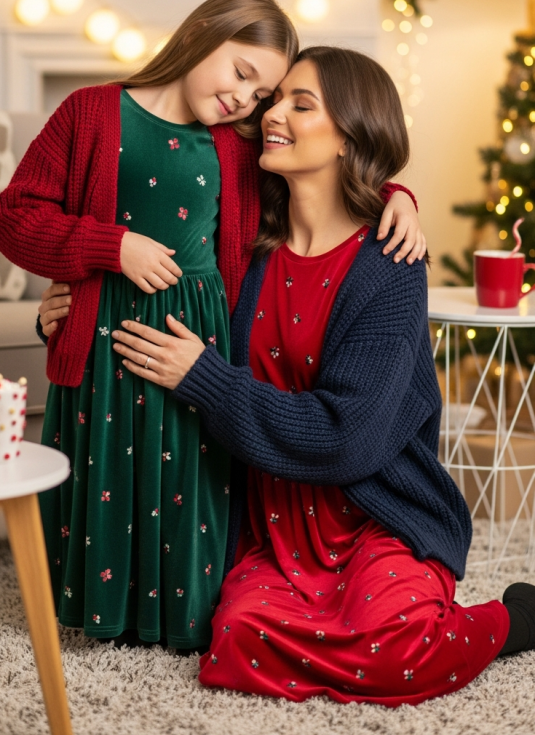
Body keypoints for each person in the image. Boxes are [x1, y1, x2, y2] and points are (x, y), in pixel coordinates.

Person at [0, 0, 422, 651]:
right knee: (104, 470)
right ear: (201, 35)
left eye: (263, 93)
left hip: (200, 343)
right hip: (103, 337)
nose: (248, 101)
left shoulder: (240, 143)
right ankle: (99, 611)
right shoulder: (90, 112)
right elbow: (16, 217)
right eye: (241, 73)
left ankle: (177, 613)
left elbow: (325, 172)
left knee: (187, 475)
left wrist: (398, 195)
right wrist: (109, 247)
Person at [109, 45, 535, 704]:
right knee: (234, 642)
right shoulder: (241, 239)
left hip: (374, 514)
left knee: (392, 645)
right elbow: (142, 249)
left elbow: (349, 438)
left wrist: (205, 378)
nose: (272, 113)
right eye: (274, 100)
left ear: (349, 137)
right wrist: (64, 304)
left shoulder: (389, 265)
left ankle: (513, 619)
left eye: (300, 105)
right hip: (272, 524)